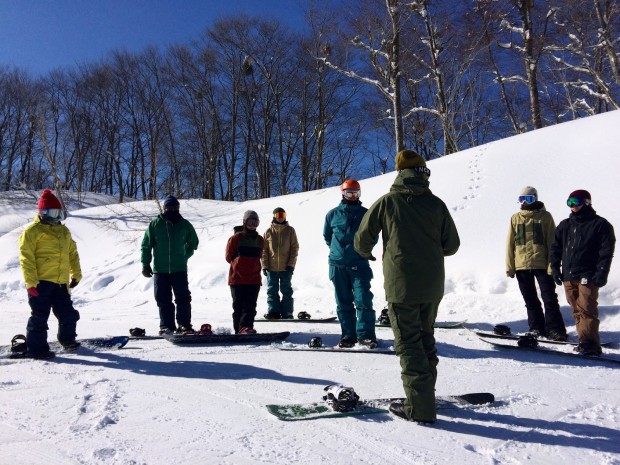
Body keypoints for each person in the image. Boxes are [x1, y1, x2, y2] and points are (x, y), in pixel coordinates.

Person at [354, 150, 460, 424]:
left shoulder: (388, 202)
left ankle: (420, 408)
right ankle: (424, 396)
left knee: (409, 345)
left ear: (399, 173)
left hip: (402, 286)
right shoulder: (436, 205)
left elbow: (362, 239)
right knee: (426, 341)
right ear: (423, 173)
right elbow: (452, 245)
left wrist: (368, 252)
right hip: (432, 286)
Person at [18, 189, 82, 359]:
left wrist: (76, 273)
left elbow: (72, 253)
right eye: (54, 212)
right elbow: (27, 258)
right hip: (40, 282)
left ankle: (68, 340)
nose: (57, 217)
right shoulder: (32, 232)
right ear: (43, 213)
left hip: (61, 282)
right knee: (40, 316)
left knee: (68, 314)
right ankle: (37, 349)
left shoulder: (64, 231)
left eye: (59, 213)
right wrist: (30, 282)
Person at [550, 190, 615, 355]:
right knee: (576, 309)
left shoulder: (600, 224)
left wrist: (601, 273)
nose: (573, 206)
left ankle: (590, 342)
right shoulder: (565, 225)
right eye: (569, 202)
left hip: (588, 274)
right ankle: (583, 339)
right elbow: (555, 248)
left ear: (586, 202)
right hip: (568, 274)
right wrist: (556, 269)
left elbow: (606, 252)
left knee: (587, 308)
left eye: (576, 202)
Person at [506, 186, 567, 341]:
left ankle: (555, 329)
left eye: (529, 199)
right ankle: (536, 328)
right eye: (522, 199)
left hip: (542, 265)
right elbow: (510, 244)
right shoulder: (515, 218)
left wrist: (551, 265)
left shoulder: (545, 217)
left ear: (536, 198)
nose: (525, 202)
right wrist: (510, 266)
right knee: (530, 299)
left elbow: (552, 242)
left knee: (549, 298)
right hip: (522, 266)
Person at [323, 179, 377, 348]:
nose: (353, 196)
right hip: (337, 266)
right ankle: (348, 336)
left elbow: (372, 236)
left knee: (363, 300)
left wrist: (362, 251)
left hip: (359, 264)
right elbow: (327, 236)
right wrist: (337, 252)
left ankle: (366, 336)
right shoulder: (332, 214)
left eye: (356, 193)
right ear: (343, 193)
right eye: (349, 193)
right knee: (343, 302)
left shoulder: (366, 214)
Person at [141, 195, 199, 335]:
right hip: (160, 270)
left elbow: (194, 243)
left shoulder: (185, 224)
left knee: (183, 297)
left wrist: (184, 256)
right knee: (162, 298)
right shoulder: (155, 224)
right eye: (169, 208)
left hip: (179, 269)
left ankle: (184, 325)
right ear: (164, 208)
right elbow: (146, 245)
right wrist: (145, 264)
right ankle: (166, 326)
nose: (173, 210)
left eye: (175, 208)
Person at [226, 210, 265, 334]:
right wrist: (239, 263)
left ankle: (246, 328)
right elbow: (228, 257)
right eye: (250, 221)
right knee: (238, 306)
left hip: (253, 278)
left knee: (250, 306)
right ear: (245, 222)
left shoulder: (260, 239)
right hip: (237, 278)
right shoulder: (236, 238)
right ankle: (239, 329)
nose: (253, 224)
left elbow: (260, 255)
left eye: (256, 221)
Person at [261, 207, 300, 319]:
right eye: (279, 215)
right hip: (271, 268)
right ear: (274, 216)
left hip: (286, 267)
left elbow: (294, 248)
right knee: (272, 290)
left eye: (283, 215)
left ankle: (287, 312)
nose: (281, 218)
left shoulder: (290, 230)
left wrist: (291, 265)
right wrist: (265, 266)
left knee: (287, 290)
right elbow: (264, 251)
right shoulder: (268, 231)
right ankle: (274, 312)